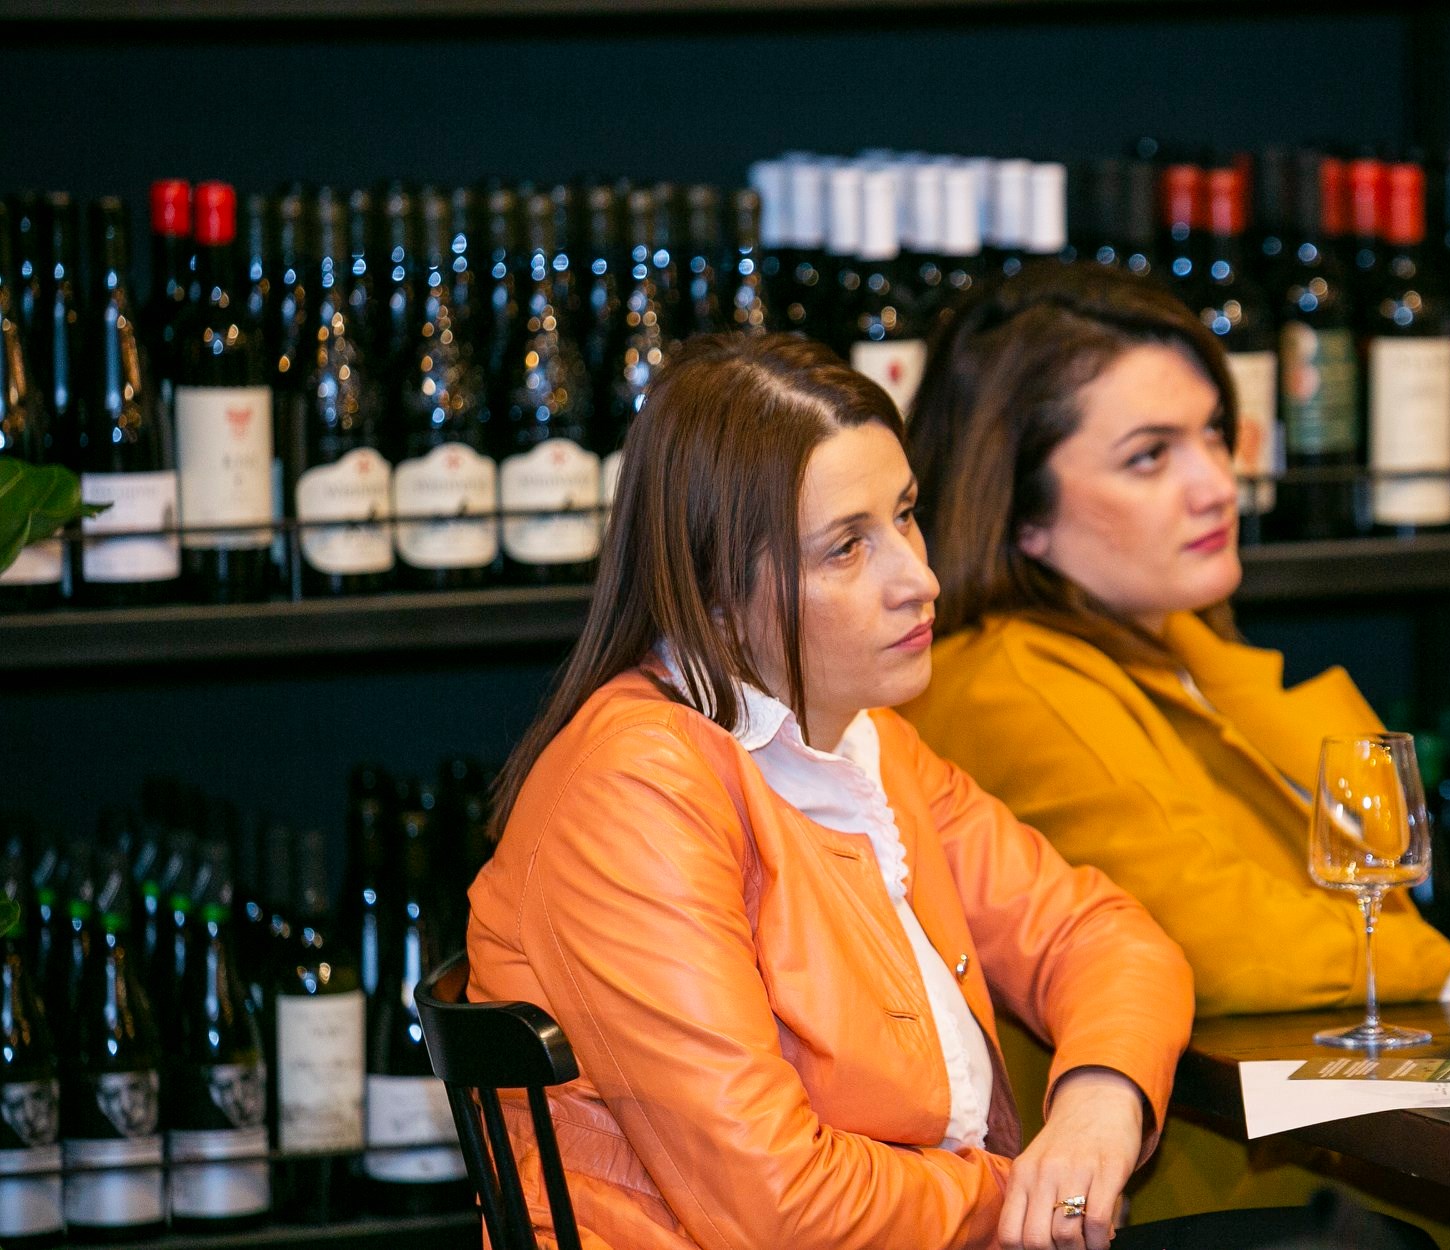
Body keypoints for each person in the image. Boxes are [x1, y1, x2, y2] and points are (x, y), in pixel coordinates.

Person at [467, 332, 1206, 1250]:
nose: (919, 578)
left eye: (905, 515)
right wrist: (1026, 1195)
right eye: (847, 548)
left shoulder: (865, 740)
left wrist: (1098, 1103)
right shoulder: (636, 789)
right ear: (715, 592)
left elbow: (1100, 936)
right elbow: (777, 1207)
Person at [899, 264, 1450, 1220]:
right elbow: (1214, 944)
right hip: (1221, 1203)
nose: (1215, 485)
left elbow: (1380, 845)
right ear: (1023, 516)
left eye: (1212, 434)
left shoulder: (1172, 642)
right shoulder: (1003, 679)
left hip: (1334, 1163)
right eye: (1149, 457)